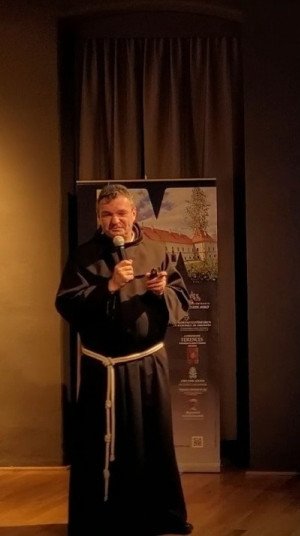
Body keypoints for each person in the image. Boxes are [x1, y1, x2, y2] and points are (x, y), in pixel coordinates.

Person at [56, 184, 193, 536]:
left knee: (152, 444)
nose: (114, 221)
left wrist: (163, 290)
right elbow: (67, 304)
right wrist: (110, 287)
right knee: (98, 445)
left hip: (148, 366)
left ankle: (157, 516)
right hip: (103, 369)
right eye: (106, 215)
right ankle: (99, 520)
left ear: (134, 213)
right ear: (99, 218)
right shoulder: (84, 256)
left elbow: (182, 296)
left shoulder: (157, 249)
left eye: (120, 213)